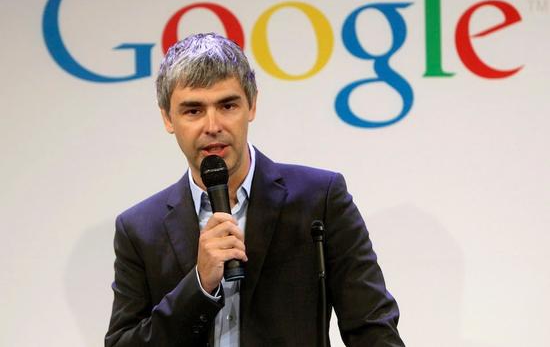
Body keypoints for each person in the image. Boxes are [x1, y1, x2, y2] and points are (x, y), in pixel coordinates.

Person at [105, 32, 405, 347]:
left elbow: (373, 329)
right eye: (193, 110)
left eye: (227, 105)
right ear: (168, 118)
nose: (212, 126)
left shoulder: (320, 200)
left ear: (251, 105)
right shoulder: (139, 229)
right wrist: (199, 285)